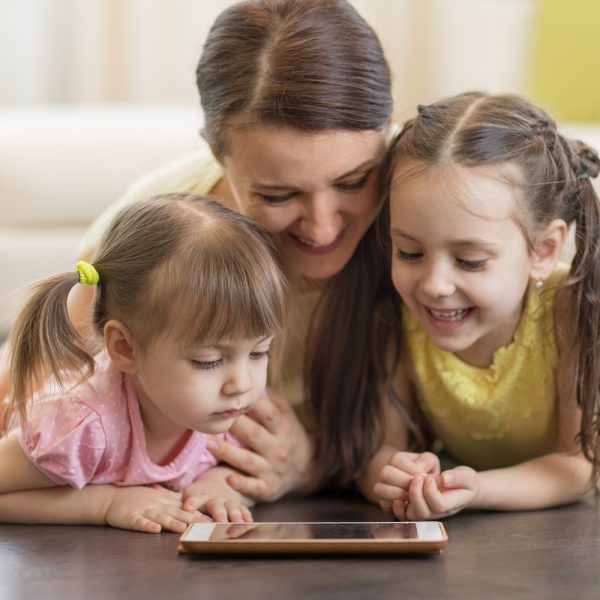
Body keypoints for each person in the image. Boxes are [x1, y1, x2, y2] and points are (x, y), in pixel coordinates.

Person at [0, 0, 395, 501]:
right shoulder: (161, 236)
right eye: (278, 195)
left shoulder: (431, 200)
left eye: (354, 180)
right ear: (216, 154)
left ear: (388, 132)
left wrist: (312, 466)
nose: (321, 228)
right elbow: (32, 388)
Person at [370, 91, 600, 519]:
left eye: (470, 261)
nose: (435, 285)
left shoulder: (570, 307)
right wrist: (397, 476)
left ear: (544, 250)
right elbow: (381, 448)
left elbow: (581, 466)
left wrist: (476, 489)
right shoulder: (399, 314)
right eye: (409, 253)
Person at [0, 194, 286, 532]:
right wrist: (106, 503)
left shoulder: (234, 407)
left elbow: (254, 473)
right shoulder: (82, 428)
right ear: (125, 349)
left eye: (258, 352)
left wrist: (218, 482)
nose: (242, 383)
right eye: (208, 361)